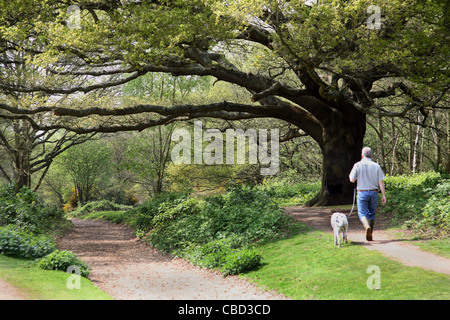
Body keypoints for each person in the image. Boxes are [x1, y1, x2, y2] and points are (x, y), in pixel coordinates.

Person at [349, 147, 386, 241]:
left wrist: (357, 177)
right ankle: (370, 233)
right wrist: (383, 195)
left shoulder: (357, 165)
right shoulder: (376, 165)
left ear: (362, 155)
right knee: (372, 213)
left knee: (362, 213)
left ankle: (367, 227)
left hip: (362, 192)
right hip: (374, 192)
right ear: (371, 155)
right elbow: (381, 182)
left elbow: (352, 179)